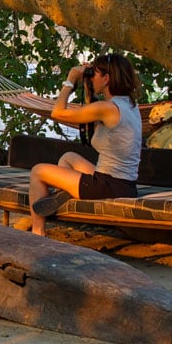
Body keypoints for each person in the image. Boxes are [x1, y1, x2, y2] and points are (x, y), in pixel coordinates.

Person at [27, 53, 142, 236]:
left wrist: (70, 80)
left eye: (94, 74)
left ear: (106, 79)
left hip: (107, 186)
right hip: (124, 184)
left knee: (38, 171)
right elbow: (94, 123)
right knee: (69, 158)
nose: (91, 77)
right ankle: (66, 193)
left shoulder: (107, 108)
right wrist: (89, 90)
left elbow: (58, 112)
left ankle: (38, 231)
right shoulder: (129, 104)